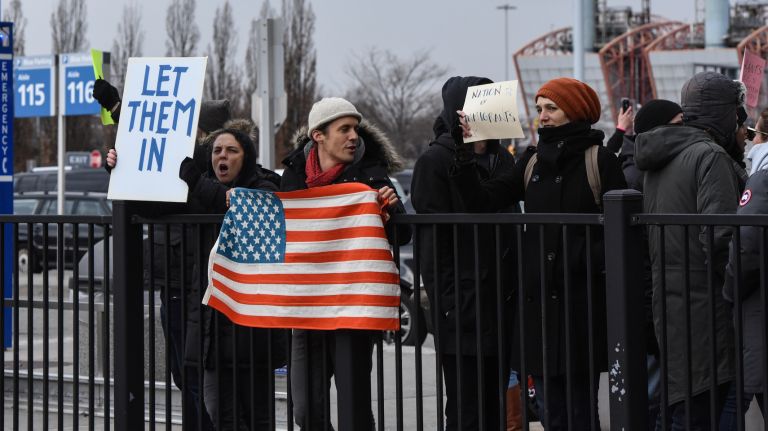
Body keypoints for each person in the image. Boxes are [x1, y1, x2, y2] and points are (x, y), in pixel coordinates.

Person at [451, 77, 627, 430]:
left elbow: (621, 231)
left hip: (580, 305)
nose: (542, 117)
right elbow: (482, 200)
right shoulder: (531, 160)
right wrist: (466, 150)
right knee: (549, 410)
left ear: (574, 112)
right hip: (540, 308)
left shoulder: (600, 160)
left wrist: (580, 259)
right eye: (539, 109)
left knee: (579, 410)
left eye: (551, 108)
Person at [96, 78, 232, 431]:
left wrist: (117, 108)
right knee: (181, 371)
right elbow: (147, 194)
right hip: (173, 278)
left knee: (196, 373)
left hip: (201, 282)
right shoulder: (184, 163)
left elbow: (162, 141)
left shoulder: (210, 162)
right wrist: (120, 168)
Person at [281, 97, 410, 430]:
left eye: (355, 128)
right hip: (306, 309)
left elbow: (405, 234)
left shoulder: (372, 176)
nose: (354, 136)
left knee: (354, 408)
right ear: (318, 135)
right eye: (344, 129)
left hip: (351, 309)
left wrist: (391, 210)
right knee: (306, 409)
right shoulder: (293, 175)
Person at [634, 71, 743, 429]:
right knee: (711, 409)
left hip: (672, 306)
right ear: (722, 113)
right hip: (709, 310)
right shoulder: (709, 157)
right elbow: (722, 240)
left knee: (686, 406)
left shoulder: (661, 159)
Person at [411, 76, 518, 431]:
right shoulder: (435, 161)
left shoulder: (502, 158)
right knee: (464, 407)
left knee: (494, 405)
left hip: (501, 303)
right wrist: (448, 303)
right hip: (461, 306)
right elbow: (432, 246)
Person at [630, 99, 684, 429]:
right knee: (654, 394)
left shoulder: (655, 168)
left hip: (659, 297)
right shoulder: (641, 176)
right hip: (653, 298)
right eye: (678, 122)